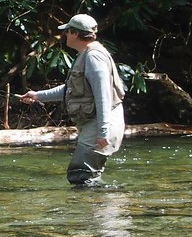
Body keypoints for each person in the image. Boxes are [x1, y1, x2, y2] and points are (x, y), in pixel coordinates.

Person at [18, 13, 126, 187]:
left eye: (67, 32)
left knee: (81, 176)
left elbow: (103, 94)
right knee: (84, 177)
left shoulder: (93, 56)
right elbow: (71, 90)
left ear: (75, 34)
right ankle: (99, 210)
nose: (65, 35)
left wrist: (103, 131)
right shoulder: (86, 54)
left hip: (102, 124)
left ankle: (104, 210)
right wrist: (38, 96)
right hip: (97, 123)